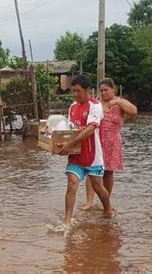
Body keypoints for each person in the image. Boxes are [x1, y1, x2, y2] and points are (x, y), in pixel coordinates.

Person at [58, 75, 113, 228]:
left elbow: (90, 130)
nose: (75, 94)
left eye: (78, 91)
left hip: (93, 156)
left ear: (88, 90)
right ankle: (67, 221)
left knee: (98, 187)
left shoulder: (95, 106)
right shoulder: (72, 107)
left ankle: (108, 210)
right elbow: (69, 129)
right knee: (72, 183)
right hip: (76, 156)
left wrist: (70, 143)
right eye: (73, 91)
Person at [83, 78, 137, 210]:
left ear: (113, 89)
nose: (103, 93)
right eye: (101, 91)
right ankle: (89, 202)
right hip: (96, 140)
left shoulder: (120, 103)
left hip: (112, 142)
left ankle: (105, 200)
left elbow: (134, 111)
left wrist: (117, 101)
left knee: (108, 173)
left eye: (106, 90)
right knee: (92, 171)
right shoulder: (95, 103)